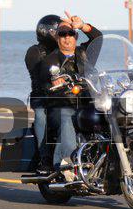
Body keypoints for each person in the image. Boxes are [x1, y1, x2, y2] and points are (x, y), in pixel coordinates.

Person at [40, 11, 102, 170]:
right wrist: (54, 80)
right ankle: (67, 163)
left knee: (116, 111)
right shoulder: (50, 60)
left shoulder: (85, 53)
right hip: (61, 106)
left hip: (88, 103)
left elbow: (98, 38)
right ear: (57, 37)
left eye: (70, 33)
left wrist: (82, 26)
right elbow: (45, 79)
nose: (67, 37)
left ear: (76, 36)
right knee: (67, 116)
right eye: (62, 34)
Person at [25, 14, 61, 174]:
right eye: (56, 31)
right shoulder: (35, 52)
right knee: (41, 117)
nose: (59, 34)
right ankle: (45, 158)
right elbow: (39, 75)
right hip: (43, 96)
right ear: (45, 32)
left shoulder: (67, 49)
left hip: (65, 96)